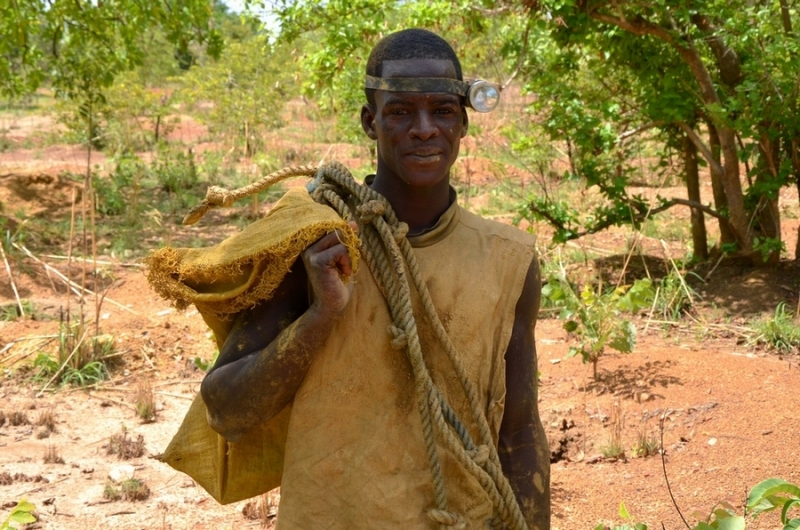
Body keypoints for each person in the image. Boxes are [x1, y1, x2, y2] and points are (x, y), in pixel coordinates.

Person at [199, 28, 550, 530]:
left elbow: (518, 432)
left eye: (442, 111)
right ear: (371, 121)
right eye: (401, 111)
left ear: (463, 123)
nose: (424, 129)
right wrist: (322, 313)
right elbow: (226, 411)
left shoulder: (509, 260)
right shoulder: (315, 243)